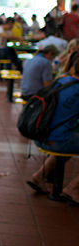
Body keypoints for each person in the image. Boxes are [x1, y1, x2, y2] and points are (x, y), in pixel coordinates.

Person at [26, 53, 79, 199]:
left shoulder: (60, 80)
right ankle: (73, 188)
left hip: (40, 135)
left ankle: (38, 176)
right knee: (66, 140)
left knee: (65, 139)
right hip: (57, 141)